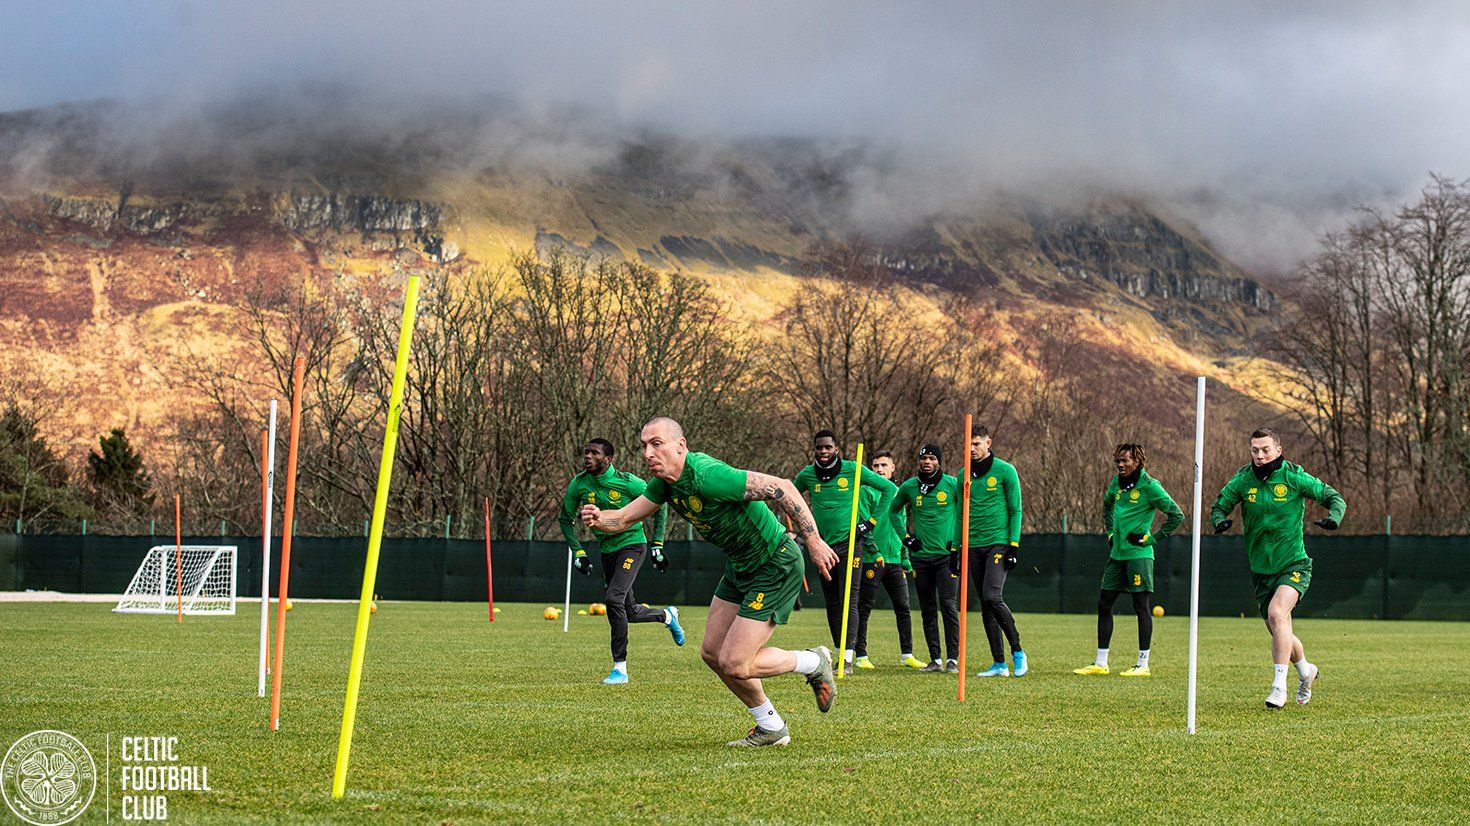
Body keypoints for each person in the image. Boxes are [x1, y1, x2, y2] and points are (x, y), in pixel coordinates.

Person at [581, 417, 840, 747]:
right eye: (644, 445)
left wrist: (814, 540)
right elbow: (625, 518)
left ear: (681, 445)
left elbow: (783, 487)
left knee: (736, 662)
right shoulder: (665, 483)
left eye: (656, 443)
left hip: (775, 562)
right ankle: (771, 726)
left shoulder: (707, 475)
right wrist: (600, 518)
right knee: (712, 653)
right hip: (740, 565)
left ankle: (813, 661)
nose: (648, 452)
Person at [1210, 427, 1345, 708]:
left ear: (1278, 450)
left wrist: (1334, 517)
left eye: (1265, 450)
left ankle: (1278, 687)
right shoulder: (1243, 479)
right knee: (1279, 628)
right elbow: (1219, 505)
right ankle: (1306, 671)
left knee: (1277, 613)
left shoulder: (1294, 477)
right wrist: (1219, 520)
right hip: (1261, 569)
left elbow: (1334, 497)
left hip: (1293, 562)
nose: (1259, 456)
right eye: (1254, 450)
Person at [558, 438, 682, 685]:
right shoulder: (579, 483)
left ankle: (620, 669)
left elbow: (660, 505)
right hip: (607, 550)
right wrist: (579, 553)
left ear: (608, 459)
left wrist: (657, 544)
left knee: (612, 599)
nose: (588, 457)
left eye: (594, 453)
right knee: (629, 612)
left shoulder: (628, 482)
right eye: (586, 453)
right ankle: (667, 616)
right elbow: (565, 519)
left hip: (632, 546)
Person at [793, 430, 899, 674]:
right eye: (819, 447)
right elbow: (792, 496)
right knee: (832, 601)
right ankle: (839, 652)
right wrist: (804, 529)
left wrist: (870, 522)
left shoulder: (853, 469)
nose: (823, 451)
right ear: (814, 449)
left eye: (828, 447)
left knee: (849, 598)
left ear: (836, 449)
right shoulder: (808, 475)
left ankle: (849, 658)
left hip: (851, 544)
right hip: (823, 547)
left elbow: (887, 489)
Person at [1074, 443, 1183, 678]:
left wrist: (1153, 539)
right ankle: (1101, 663)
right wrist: (1111, 533)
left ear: (1138, 462)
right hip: (1117, 556)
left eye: (1125, 461)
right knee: (1104, 604)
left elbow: (1177, 515)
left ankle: (1143, 664)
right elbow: (1107, 507)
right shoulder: (1117, 484)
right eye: (1118, 461)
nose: (1120, 465)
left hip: (1139, 557)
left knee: (1140, 606)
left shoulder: (1150, 487)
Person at [957, 426, 1027, 678]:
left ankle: (1017, 651)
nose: (972, 449)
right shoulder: (963, 474)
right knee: (985, 605)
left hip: (998, 543)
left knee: (992, 596)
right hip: (972, 545)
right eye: (969, 444)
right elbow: (960, 514)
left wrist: (1013, 545)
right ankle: (999, 663)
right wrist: (957, 547)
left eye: (977, 443)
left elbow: (1015, 510)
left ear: (989, 443)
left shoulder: (1006, 471)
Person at [889, 444, 961, 673]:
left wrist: (957, 542)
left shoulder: (951, 484)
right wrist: (906, 538)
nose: (927, 462)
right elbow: (893, 510)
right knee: (927, 608)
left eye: (931, 458)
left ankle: (953, 659)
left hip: (946, 557)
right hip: (921, 558)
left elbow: (966, 511)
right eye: (924, 458)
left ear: (939, 461)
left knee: (948, 606)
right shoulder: (910, 486)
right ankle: (935, 659)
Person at [854, 451, 923, 670]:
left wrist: (906, 560)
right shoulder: (866, 491)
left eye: (884, 465)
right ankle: (861, 655)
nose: (879, 469)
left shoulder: (898, 494)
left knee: (903, 607)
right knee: (863, 607)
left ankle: (907, 655)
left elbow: (900, 529)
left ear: (893, 468)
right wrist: (874, 553)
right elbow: (863, 526)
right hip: (872, 560)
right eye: (875, 466)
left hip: (894, 560)